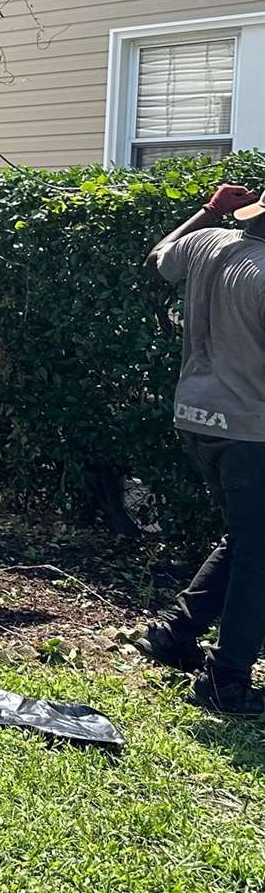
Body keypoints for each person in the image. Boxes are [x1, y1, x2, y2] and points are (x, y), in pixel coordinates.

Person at [136, 181, 265, 714]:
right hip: (250, 431)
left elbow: (155, 261)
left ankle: (175, 634)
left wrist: (209, 209)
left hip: (197, 419)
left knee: (249, 537)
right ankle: (225, 680)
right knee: (260, 555)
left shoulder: (209, 240)